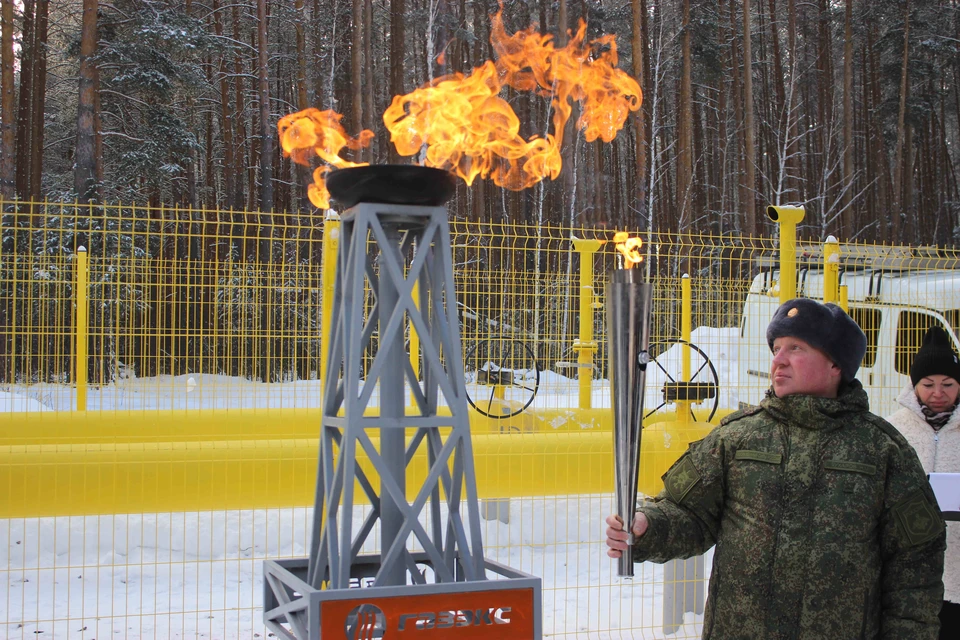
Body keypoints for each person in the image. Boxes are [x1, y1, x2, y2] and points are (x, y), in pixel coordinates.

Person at [605, 298, 946, 639]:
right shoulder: (737, 437)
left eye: (796, 348)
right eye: (776, 348)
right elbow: (687, 514)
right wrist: (647, 526)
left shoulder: (883, 450)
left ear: (836, 365)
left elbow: (915, 565)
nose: (779, 360)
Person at [887, 324, 960, 639]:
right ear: (914, 385)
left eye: (948, 383)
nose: (938, 393)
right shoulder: (893, 429)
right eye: (928, 384)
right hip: (908, 573)